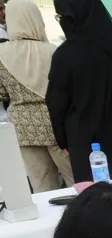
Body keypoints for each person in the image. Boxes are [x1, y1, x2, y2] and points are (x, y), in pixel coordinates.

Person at [46, 0, 112, 182]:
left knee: (95, 195)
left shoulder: (66, 55)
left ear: (73, 18)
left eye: (61, 17)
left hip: (86, 143)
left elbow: (56, 104)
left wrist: (63, 141)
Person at [0, 0, 74, 192]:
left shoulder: (1, 53)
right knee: (74, 180)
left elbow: (2, 92)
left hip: (23, 127)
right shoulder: (55, 51)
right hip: (56, 125)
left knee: (41, 185)